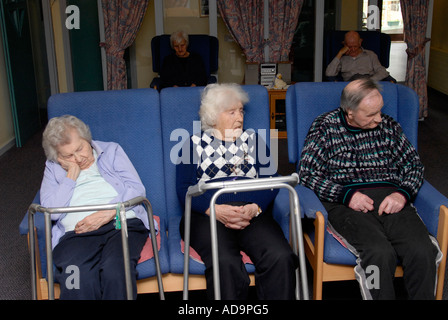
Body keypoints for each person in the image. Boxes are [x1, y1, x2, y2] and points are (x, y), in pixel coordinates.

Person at [298, 78, 441, 300]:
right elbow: (307, 174)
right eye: (371, 114)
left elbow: (414, 166)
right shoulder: (325, 126)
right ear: (350, 113)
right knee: (378, 253)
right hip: (346, 202)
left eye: (380, 111)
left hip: (391, 196)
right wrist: (345, 195)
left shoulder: (389, 126)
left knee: (422, 250)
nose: (379, 118)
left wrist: (401, 194)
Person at [176, 83, 298, 299]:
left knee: (281, 256)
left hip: (252, 213)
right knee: (225, 262)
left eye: (241, 111)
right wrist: (215, 209)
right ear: (213, 116)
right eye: (231, 112)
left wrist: (255, 207)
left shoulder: (254, 141)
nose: (239, 117)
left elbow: (272, 181)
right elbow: (184, 190)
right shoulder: (192, 144)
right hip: (208, 216)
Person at [40, 115, 157, 300]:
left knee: (116, 270)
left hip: (121, 223)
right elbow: (50, 211)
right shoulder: (53, 167)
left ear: (87, 139)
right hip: (76, 233)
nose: (78, 158)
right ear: (58, 157)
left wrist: (109, 212)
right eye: (69, 156)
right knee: (76, 278)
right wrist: (70, 177)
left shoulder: (111, 150)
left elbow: (137, 189)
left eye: (80, 149)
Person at [325, 30, 394, 82]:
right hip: (351, 85)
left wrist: (370, 81)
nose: (353, 49)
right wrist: (339, 53)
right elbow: (329, 73)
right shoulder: (341, 58)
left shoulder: (370, 55)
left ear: (360, 42)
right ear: (344, 44)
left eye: (355, 46)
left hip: (368, 82)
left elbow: (383, 72)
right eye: (349, 46)